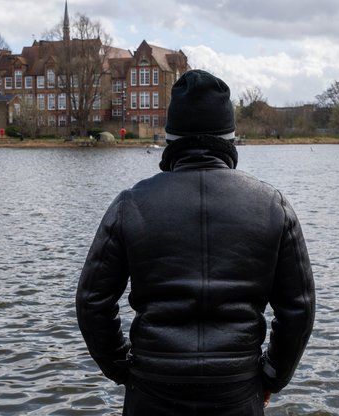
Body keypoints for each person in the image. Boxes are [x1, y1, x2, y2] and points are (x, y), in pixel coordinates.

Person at [76, 69, 315, 415]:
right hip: (237, 388)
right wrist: (272, 375)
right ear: (230, 139)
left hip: (152, 388)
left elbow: (92, 302)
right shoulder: (271, 205)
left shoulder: (131, 204)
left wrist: (121, 368)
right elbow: (299, 308)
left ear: (171, 139)